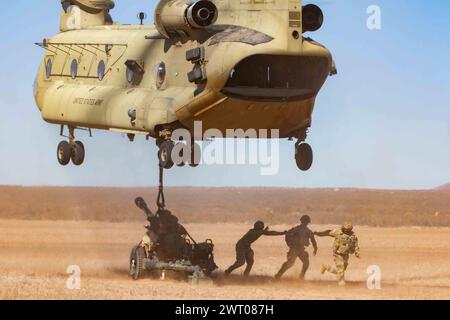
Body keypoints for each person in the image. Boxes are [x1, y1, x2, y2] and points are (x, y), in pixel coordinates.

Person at [315, 221, 361, 286]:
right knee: (341, 267)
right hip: (337, 254)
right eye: (345, 229)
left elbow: (356, 245)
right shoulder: (338, 233)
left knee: (340, 270)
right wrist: (318, 233)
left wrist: (357, 253)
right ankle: (341, 282)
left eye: (348, 230)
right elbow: (328, 232)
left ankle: (326, 267)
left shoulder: (353, 237)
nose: (347, 231)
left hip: (346, 254)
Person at [275, 215, 318, 280]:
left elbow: (313, 240)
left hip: (301, 249)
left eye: (306, 222)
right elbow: (287, 235)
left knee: (306, 263)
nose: (305, 223)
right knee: (290, 263)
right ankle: (278, 275)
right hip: (294, 249)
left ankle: (301, 277)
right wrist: (289, 244)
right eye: (305, 222)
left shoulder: (307, 231)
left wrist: (315, 248)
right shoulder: (296, 229)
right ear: (302, 221)